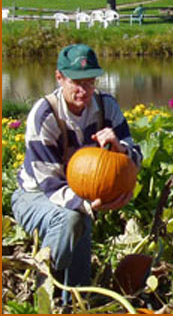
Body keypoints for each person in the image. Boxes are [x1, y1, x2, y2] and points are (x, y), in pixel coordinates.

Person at [11, 44, 142, 303]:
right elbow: (50, 185)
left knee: (78, 218)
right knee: (72, 219)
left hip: (82, 194)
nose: (84, 90)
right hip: (34, 195)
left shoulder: (106, 106)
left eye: (90, 82)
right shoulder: (45, 115)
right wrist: (93, 205)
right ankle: (47, 285)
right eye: (76, 83)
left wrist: (121, 149)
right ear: (59, 78)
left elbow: (135, 158)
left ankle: (78, 296)